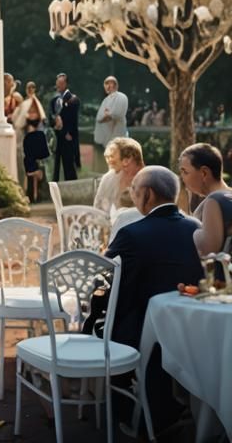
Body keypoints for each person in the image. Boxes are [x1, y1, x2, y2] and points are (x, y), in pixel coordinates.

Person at [106, 166, 203, 431]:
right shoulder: (197, 228)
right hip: (190, 325)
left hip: (139, 329)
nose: (133, 197)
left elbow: (103, 274)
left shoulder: (132, 234)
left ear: (147, 195)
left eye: (134, 192)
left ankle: (120, 409)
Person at [178, 143, 232, 257]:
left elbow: (208, 249)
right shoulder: (227, 195)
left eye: (185, 172)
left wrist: (186, 229)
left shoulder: (214, 200)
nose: (182, 177)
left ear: (204, 173)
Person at [93, 137, 143, 214]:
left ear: (127, 160)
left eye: (111, 156)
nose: (108, 161)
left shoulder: (148, 180)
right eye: (107, 157)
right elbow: (97, 208)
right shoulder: (108, 178)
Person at [50, 73, 80, 181]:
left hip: (68, 136)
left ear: (66, 84)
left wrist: (68, 132)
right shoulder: (54, 100)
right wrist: (55, 122)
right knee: (56, 163)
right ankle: (55, 185)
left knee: (68, 163)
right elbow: (51, 117)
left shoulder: (73, 99)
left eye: (61, 83)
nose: (58, 85)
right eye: (57, 83)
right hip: (57, 135)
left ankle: (72, 186)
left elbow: (73, 119)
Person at [93, 75, 129, 151]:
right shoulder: (105, 100)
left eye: (110, 83)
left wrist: (107, 116)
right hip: (106, 142)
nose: (108, 86)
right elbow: (99, 118)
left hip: (118, 138)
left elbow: (116, 115)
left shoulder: (121, 97)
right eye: (106, 84)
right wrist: (105, 117)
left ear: (116, 85)